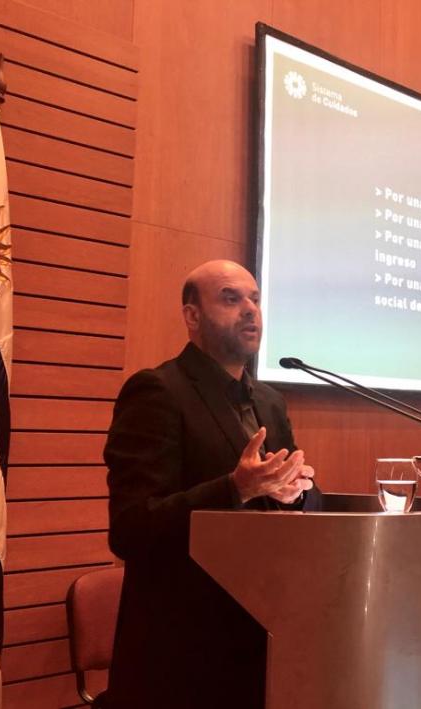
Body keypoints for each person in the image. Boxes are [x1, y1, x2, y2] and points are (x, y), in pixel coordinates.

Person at [104, 259, 318, 708]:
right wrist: (235, 489)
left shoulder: (270, 402)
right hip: (181, 652)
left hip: (263, 635)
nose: (250, 310)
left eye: (255, 299)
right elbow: (130, 528)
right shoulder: (157, 392)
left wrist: (297, 493)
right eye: (230, 298)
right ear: (192, 317)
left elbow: (287, 502)